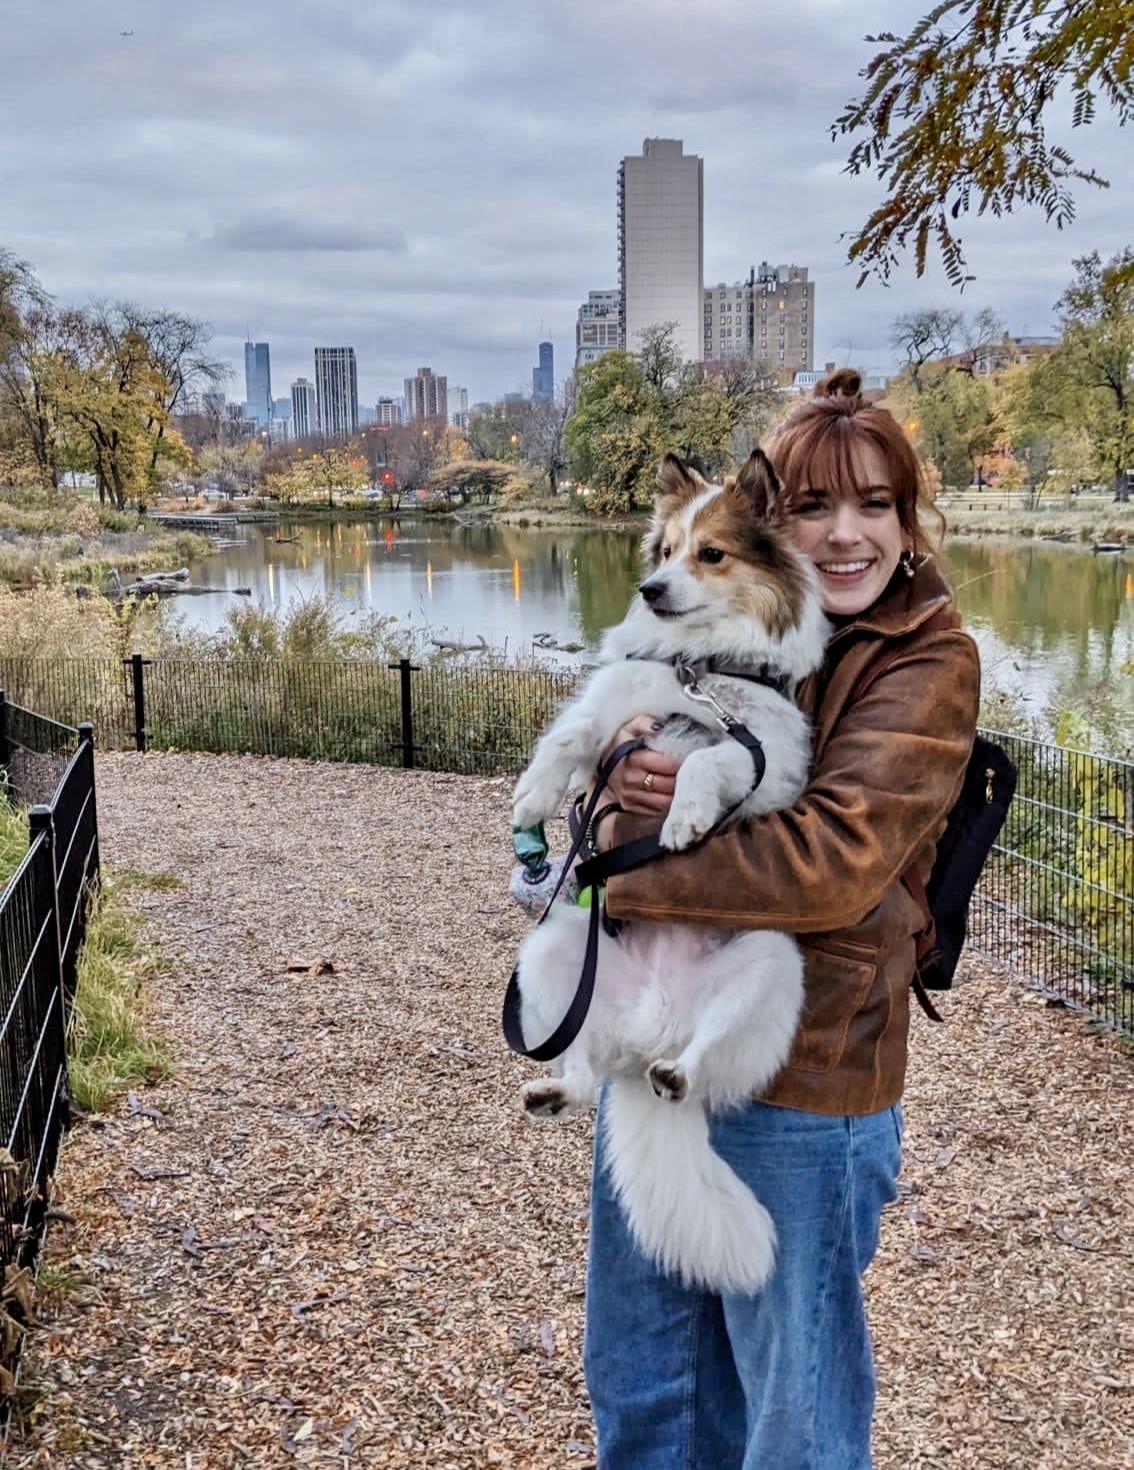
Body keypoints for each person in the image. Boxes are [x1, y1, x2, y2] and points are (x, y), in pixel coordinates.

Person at [581, 368, 981, 1469]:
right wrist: (594, 805)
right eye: (814, 508)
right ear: (770, 526)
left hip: (806, 1080)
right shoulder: (723, 623)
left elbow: (831, 867)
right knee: (647, 1384)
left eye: (876, 505)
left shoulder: (925, 660)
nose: (847, 535)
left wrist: (619, 869)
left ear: (908, 520)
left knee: (791, 1415)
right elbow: (605, 764)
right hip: (661, 1048)